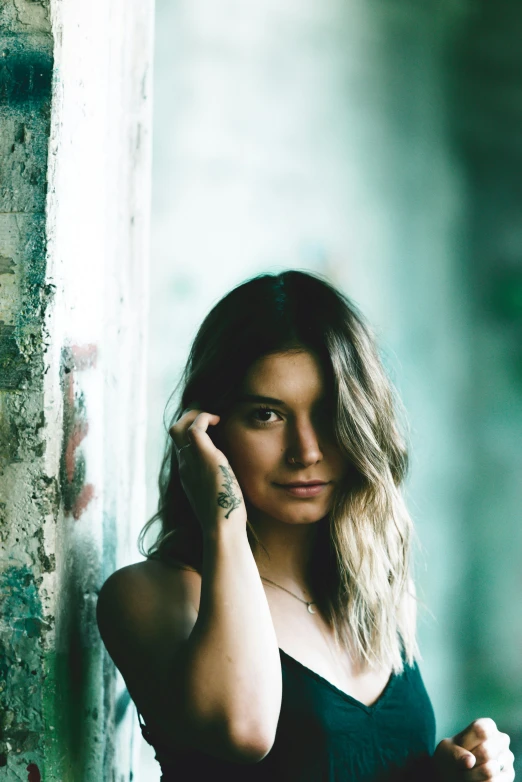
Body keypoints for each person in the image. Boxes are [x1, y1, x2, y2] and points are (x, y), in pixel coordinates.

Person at [96, 271, 514, 781]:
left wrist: (452, 774)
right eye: (267, 415)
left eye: (330, 412)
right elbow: (243, 729)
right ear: (211, 429)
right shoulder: (148, 596)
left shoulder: (375, 588)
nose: (307, 451)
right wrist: (223, 519)